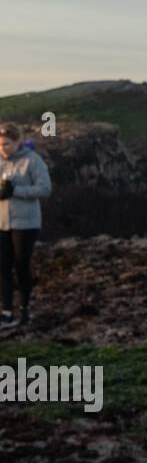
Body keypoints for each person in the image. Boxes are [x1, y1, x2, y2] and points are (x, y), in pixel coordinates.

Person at [0, 123, 52, 328]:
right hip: (1, 223)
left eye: (7, 144)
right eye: (0, 145)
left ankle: (25, 309)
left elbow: (45, 189)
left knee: (21, 265)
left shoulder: (32, 160)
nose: (3, 148)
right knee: (3, 267)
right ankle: (6, 312)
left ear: (18, 142)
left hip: (26, 223)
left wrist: (16, 191)